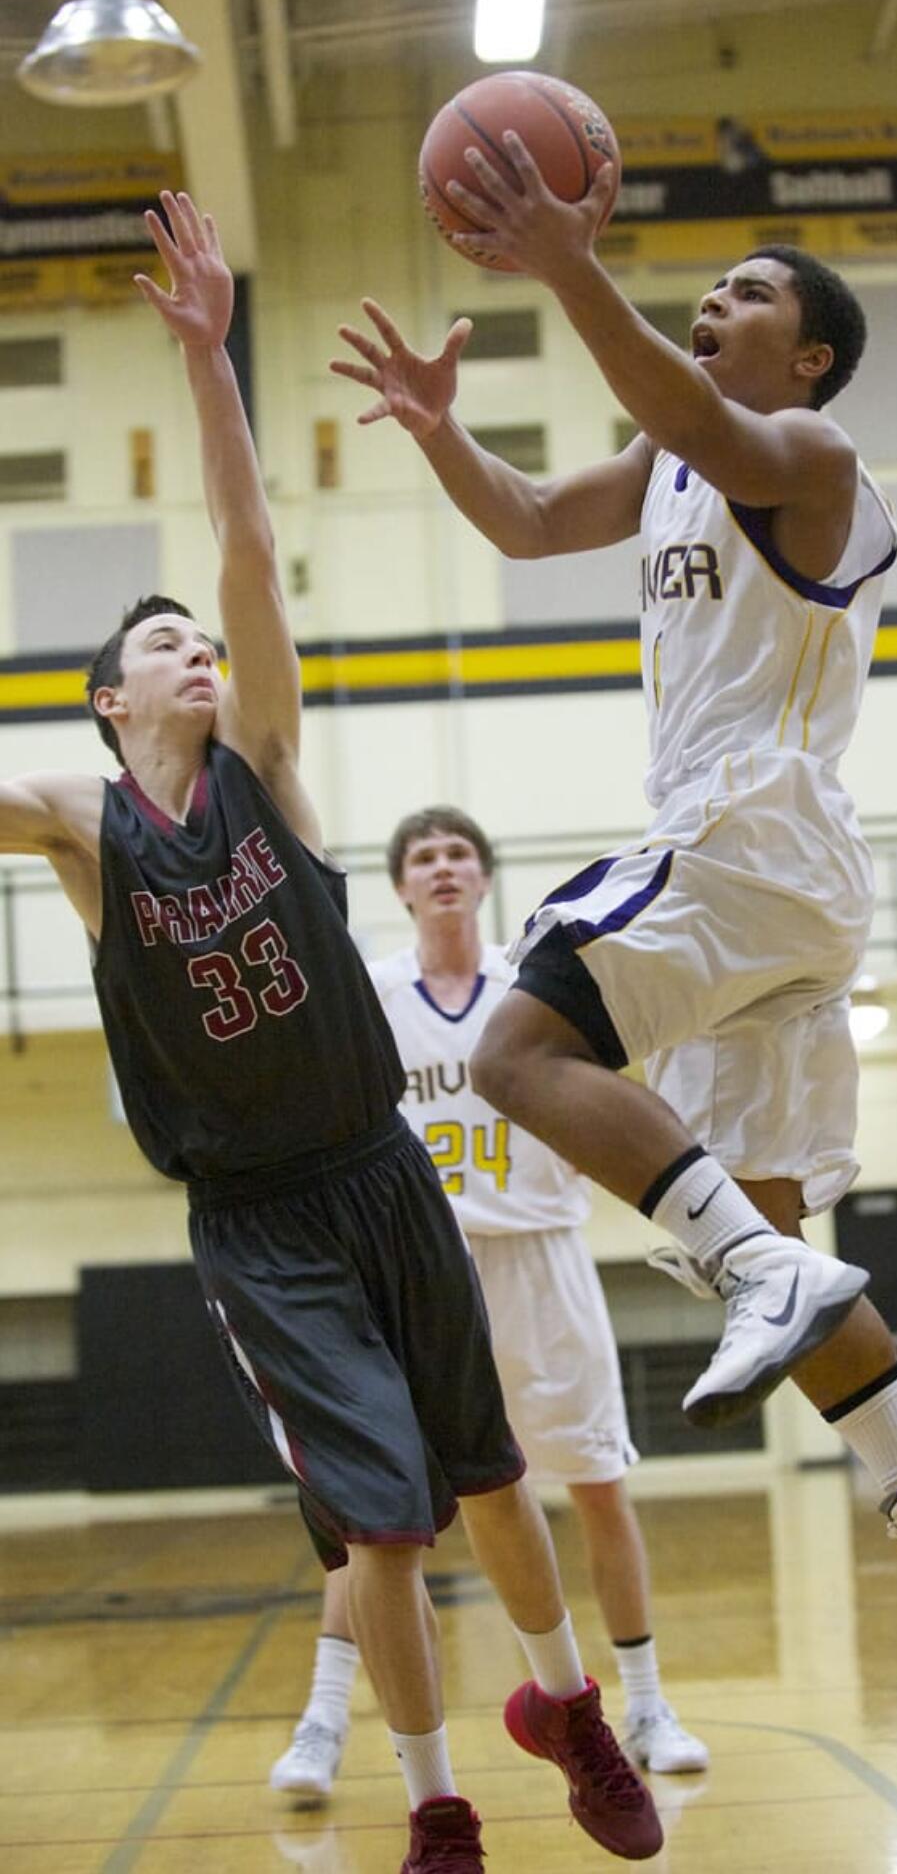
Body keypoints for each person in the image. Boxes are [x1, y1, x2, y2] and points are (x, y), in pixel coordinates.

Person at [0, 191, 661, 1874]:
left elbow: (247, 548)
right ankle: (436, 1801)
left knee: (493, 1476)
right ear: (109, 700)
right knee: (378, 1511)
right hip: (259, 1216)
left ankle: (571, 1705)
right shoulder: (86, 827)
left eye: (198, 639)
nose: (195, 647)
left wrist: (215, 362)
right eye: (161, 645)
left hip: (383, 1171)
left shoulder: (266, 764)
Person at [331, 143, 897, 1693]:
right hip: (771, 884)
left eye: (748, 292)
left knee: (514, 1054)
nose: (715, 299)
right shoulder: (667, 471)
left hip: (746, 828)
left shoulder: (810, 458)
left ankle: (779, 1299)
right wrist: (444, 432)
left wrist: (566, 260)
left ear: (815, 354)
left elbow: (700, 415)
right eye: (708, 285)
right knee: (765, 1233)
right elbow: (519, 520)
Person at [271, 804, 707, 1800]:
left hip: (541, 1255)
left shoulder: (534, 992)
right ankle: (321, 1721)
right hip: (412, 1268)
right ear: (399, 886)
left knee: (596, 1480)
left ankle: (644, 1700)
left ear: (483, 876)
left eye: (458, 852)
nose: (442, 867)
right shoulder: (370, 992)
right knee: (370, 1516)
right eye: (422, 855)